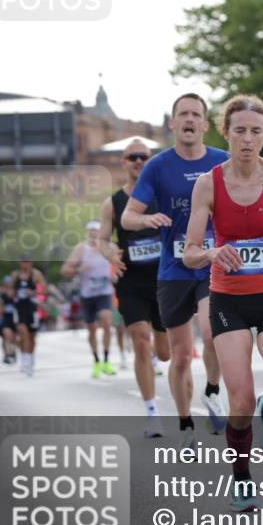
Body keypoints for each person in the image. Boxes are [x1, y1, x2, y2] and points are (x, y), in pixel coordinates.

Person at [183, 94, 263, 512]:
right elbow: (188, 251)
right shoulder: (209, 183)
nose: (247, 139)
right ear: (226, 133)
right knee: (238, 401)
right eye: (239, 130)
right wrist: (209, 253)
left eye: (255, 131)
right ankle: (241, 477)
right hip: (229, 301)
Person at [121, 93, 228, 450]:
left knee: (213, 333)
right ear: (172, 123)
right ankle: (185, 424)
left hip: (213, 264)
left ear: (205, 125)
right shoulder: (157, 166)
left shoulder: (221, 162)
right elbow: (127, 216)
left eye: (196, 114)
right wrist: (146, 217)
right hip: (175, 269)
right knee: (180, 355)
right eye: (183, 114)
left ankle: (213, 391)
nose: (189, 120)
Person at [98, 138, 173, 438]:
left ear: (151, 160)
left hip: (165, 281)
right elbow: (102, 239)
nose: (139, 161)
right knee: (140, 340)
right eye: (133, 157)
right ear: (124, 162)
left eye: (144, 156)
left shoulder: (163, 195)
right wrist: (110, 254)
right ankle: (152, 412)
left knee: (165, 354)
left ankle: (155, 354)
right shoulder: (113, 202)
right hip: (131, 282)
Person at [61, 220, 116, 377]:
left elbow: (121, 264)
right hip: (87, 294)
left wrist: (116, 274)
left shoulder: (110, 248)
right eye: (91, 231)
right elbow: (64, 270)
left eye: (96, 230)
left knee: (106, 320)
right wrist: (79, 268)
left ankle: (106, 360)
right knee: (91, 329)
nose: (94, 233)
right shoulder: (81, 249)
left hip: (104, 292)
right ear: (87, 233)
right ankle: (97, 361)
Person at [10, 255, 47, 376]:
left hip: (32, 309)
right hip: (19, 309)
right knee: (23, 334)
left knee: (32, 337)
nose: (26, 264)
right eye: (23, 262)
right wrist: (13, 294)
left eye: (28, 262)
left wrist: (34, 292)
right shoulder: (15, 275)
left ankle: (30, 358)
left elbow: (44, 289)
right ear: (20, 262)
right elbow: (9, 290)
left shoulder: (36, 274)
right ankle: (25, 360)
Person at [0, 277, 18, 364]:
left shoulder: (16, 293)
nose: (8, 284)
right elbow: (0, 307)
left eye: (10, 282)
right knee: (7, 336)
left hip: (16, 318)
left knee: (14, 338)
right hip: (6, 318)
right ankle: (8, 354)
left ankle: (12, 352)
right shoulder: (2, 294)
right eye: (7, 282)